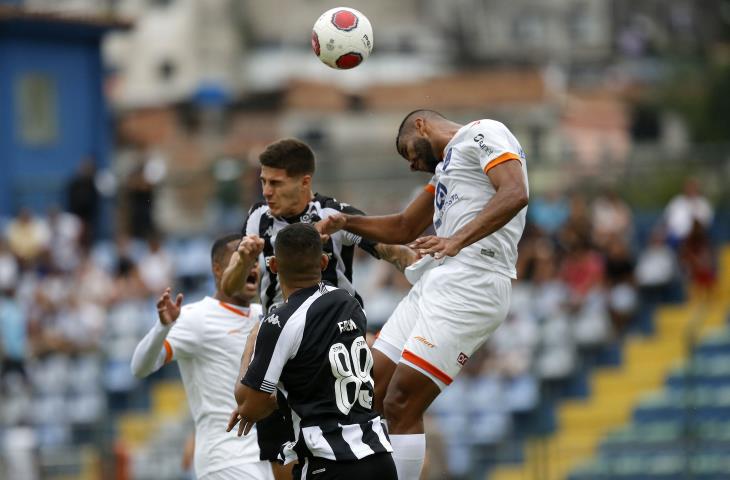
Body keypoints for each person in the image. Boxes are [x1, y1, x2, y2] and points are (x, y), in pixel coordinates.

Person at [317, 110, 529, 479]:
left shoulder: (484, 131)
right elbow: (403, 226)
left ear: (421, 126)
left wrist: (456, 238)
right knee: (368, 390)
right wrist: (346, 221)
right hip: (437, 281)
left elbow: (515, 191)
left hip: (474, 281)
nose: (413, 165)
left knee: (401, 401)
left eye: (408, 153)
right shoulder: (447, 168)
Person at [221, 138, 415, 477]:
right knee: (281, 454)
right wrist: (242, 259)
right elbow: (231, 287)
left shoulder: (335, 217)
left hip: (329, 346)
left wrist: (422, 268)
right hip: (278, 348)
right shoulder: (258, 219)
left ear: (304, 181)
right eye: (264, 181)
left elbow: (390, 250)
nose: (266, 191)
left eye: (276, 183)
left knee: (350, 435)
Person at [227, 224, 396, 480]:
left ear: (273, 266)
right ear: (325, 261)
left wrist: (251, 342)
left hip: (329, 463)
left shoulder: (279, 321)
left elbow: (249, 406)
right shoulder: (350, 305)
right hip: (380, 459)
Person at [130, 234, 273, 480]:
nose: (252, 266)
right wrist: (161, 328)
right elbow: (139, 367)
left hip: (266, 456)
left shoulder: (266, 316)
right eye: (242, 258)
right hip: (225, 460)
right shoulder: (195, 317)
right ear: (217, 270)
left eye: (255, 260)